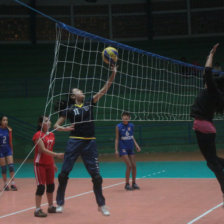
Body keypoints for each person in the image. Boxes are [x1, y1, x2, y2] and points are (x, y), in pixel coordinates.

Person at [54, 65, 118, 216]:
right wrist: (63, 128)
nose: (82, 92)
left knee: (97, 178)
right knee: (63, 174)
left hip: (90, 142)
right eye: (78, 91)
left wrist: (113, 74)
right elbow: (57, 125)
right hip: (75, 141)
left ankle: (101, 204)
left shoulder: (90, 103)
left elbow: (104, 89)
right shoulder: (69, 109)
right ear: (72, 96)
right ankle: (60, 203)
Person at [190, 43, 224, 203]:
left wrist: (210, 54)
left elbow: (207, 72)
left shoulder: (212, 90)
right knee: (212, 162)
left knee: (212, 163)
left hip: (203, 127)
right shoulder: (215, 94)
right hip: (206, 128)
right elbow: (206, 74)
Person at [33, 116, 64, 217]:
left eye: (48, 120)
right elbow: (42, 150)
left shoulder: (52, 135)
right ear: (40, 124)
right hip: (39, 164)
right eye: (46, 121)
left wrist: (53, 163)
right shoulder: (38, 135)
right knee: (41, 187)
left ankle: (50, 207)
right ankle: (37, 210)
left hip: (49, 164)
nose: (48, 122)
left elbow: (49, 150)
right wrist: (57, 155)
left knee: (51, 186)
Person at [115, 111, 141, 190]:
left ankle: (134, 183)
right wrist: (116, 150)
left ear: (129, 118)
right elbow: (117, 138)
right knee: (129, 165)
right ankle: (126, 184)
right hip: (123, 147)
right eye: (124, 116)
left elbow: (132, 136)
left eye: (127, 116)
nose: (125, 117)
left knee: (134, 166)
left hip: (130, 147)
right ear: (122, 117)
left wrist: (136, 145)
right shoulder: (118, 126)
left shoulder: (131, 125)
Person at [0, 115, 17, 191]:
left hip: (8, 150)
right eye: (4, 120)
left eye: (6, 120)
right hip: (1, 151)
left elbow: (10, 141)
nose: (5, 121)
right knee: (3, 168)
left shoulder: (9, 130)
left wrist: (12, 150)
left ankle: (13, 183)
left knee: (11, 166)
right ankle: (5, 184)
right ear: (1, 121)